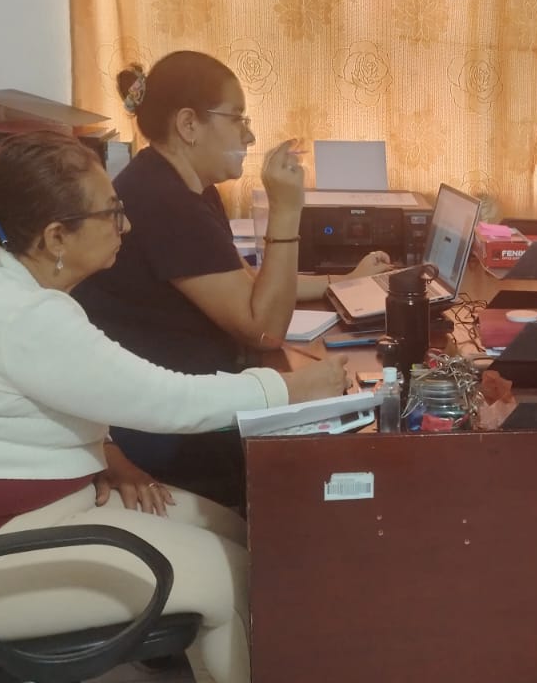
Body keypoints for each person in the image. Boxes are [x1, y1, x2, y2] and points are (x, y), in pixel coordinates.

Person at [0, 132, 348, 683]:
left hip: (2, 522)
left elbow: (42, 397)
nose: (124, 225)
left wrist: (108, 453)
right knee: (226, 575)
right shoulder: (21, 313)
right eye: (111, 212)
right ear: (55, 235)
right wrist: (289, 390)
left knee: (229, 524)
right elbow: (166, 401)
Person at [74, 51, 388, 508]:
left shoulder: (182, 186)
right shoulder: (163, 202)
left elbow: (250, 283)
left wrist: (340, 283)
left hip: (188, 399)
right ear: (189, 124)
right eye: (237, 118)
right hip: (164, 428)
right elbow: (264, 328)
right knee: (326, 467)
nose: (250, 135)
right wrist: (286, 210)